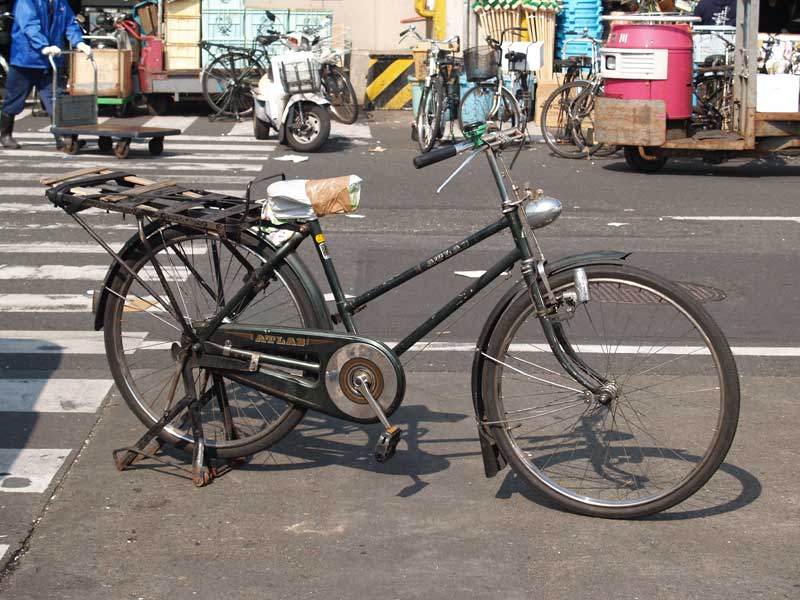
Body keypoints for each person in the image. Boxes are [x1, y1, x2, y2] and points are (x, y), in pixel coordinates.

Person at [0, 0, 92, 149]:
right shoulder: (27, 2)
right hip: (26, 59)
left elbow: (70, 23)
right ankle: (5, 134)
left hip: (50, 60)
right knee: (14, 99)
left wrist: (79, 42)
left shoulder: (60, 3)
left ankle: (62, 138)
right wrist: (43, 45)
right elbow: (29, 25)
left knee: (55, 98)